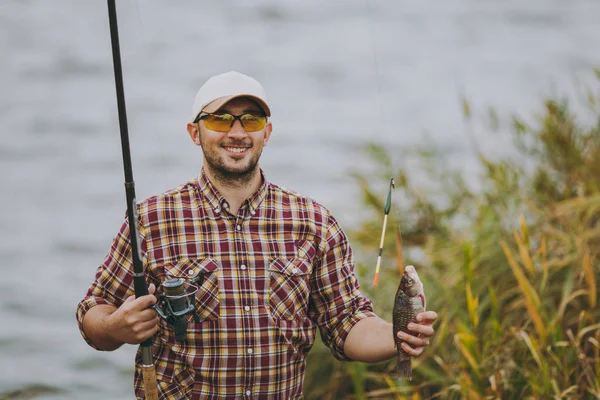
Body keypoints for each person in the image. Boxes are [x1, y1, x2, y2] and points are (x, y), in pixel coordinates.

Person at [76, 71, 438, 399]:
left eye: (251, 120)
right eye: (220, 119)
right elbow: (93, 314)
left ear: (266, 132)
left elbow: (346, 324)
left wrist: (397, 335)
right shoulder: (151, 220)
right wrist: (117, 326)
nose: (237, 132)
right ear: (194, 132)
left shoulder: (313, 222)